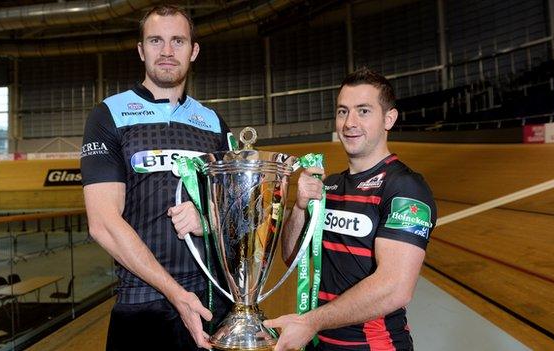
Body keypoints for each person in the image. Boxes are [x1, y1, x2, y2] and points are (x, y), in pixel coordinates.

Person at [80, 5, 233, 351]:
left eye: (177, 41)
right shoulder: (109, 115)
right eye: (156, 41)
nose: (166, 51)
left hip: (213, 300)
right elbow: (102, 223)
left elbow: (236, 209)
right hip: (141, 305)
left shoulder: (213, 123)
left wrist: (208, 218)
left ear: (193, 51)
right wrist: (177, 294)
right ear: (141, 50)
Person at [264, 67, 437, 351]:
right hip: (320, 343)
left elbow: (395, 287)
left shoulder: (405, 188)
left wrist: (312, 322)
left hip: (374, 345)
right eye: (343, 111)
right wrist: (299, 205)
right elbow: (292, 256)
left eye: (364, 111)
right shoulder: (330, 185)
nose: (349, 123)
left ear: (388, 119)